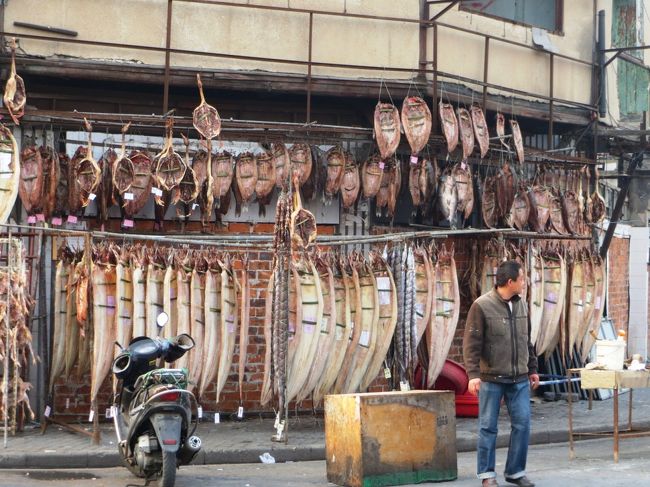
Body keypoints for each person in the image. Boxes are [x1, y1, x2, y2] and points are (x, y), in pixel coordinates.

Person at [463, 260, 540, 487]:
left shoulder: (521, 305)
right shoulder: (482, 306)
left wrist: (533, 369)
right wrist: (472, 375)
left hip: (519, 379)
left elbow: (527, 340)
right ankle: (487, 475)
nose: (524, 282)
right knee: (488, 427)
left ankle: (515, 472)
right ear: (510, 282)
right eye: (522, 278)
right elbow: (471, 343)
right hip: (491, 379)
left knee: (523, 424)